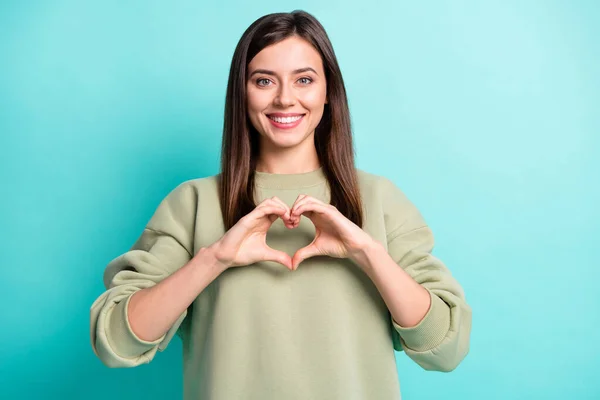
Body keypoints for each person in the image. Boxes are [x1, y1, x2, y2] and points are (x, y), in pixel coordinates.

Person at [90, 10, 472, 400]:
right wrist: (215, 258)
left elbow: (445, 347)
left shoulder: (378, 199)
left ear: (329, 91)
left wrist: (367, 251)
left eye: (304, 79)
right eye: (263, 81)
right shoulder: (193, 203)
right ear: (242, 92)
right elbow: (117, 341)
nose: (285, 98)